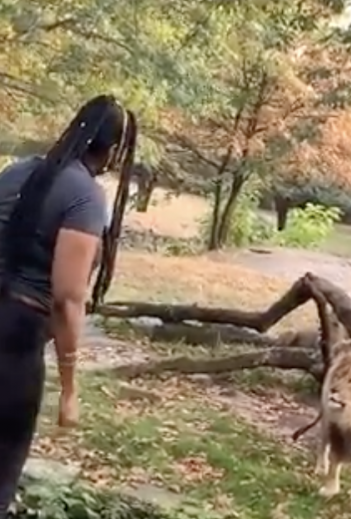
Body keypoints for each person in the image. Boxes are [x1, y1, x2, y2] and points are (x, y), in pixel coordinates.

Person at [0, 95, 137, 516]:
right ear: (112, 151)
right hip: (15, 344)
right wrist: (70, 389)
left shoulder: (15, 172)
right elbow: (67, 299)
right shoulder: (85, 197)